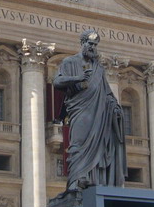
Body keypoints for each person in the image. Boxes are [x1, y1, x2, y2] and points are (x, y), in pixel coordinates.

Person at [53, 29, 126, 191]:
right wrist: (78, 78)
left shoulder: (99, 69)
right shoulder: (70, 62)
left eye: (95, 44)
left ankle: (93, 180)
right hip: (80, 110)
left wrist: (115, 108)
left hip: (99, 113)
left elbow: (107, 93)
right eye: (90, 43)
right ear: (82, 43)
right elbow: (57, 82)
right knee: (78, 144)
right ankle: (75, 181)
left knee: (99, 147)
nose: (93, 47)